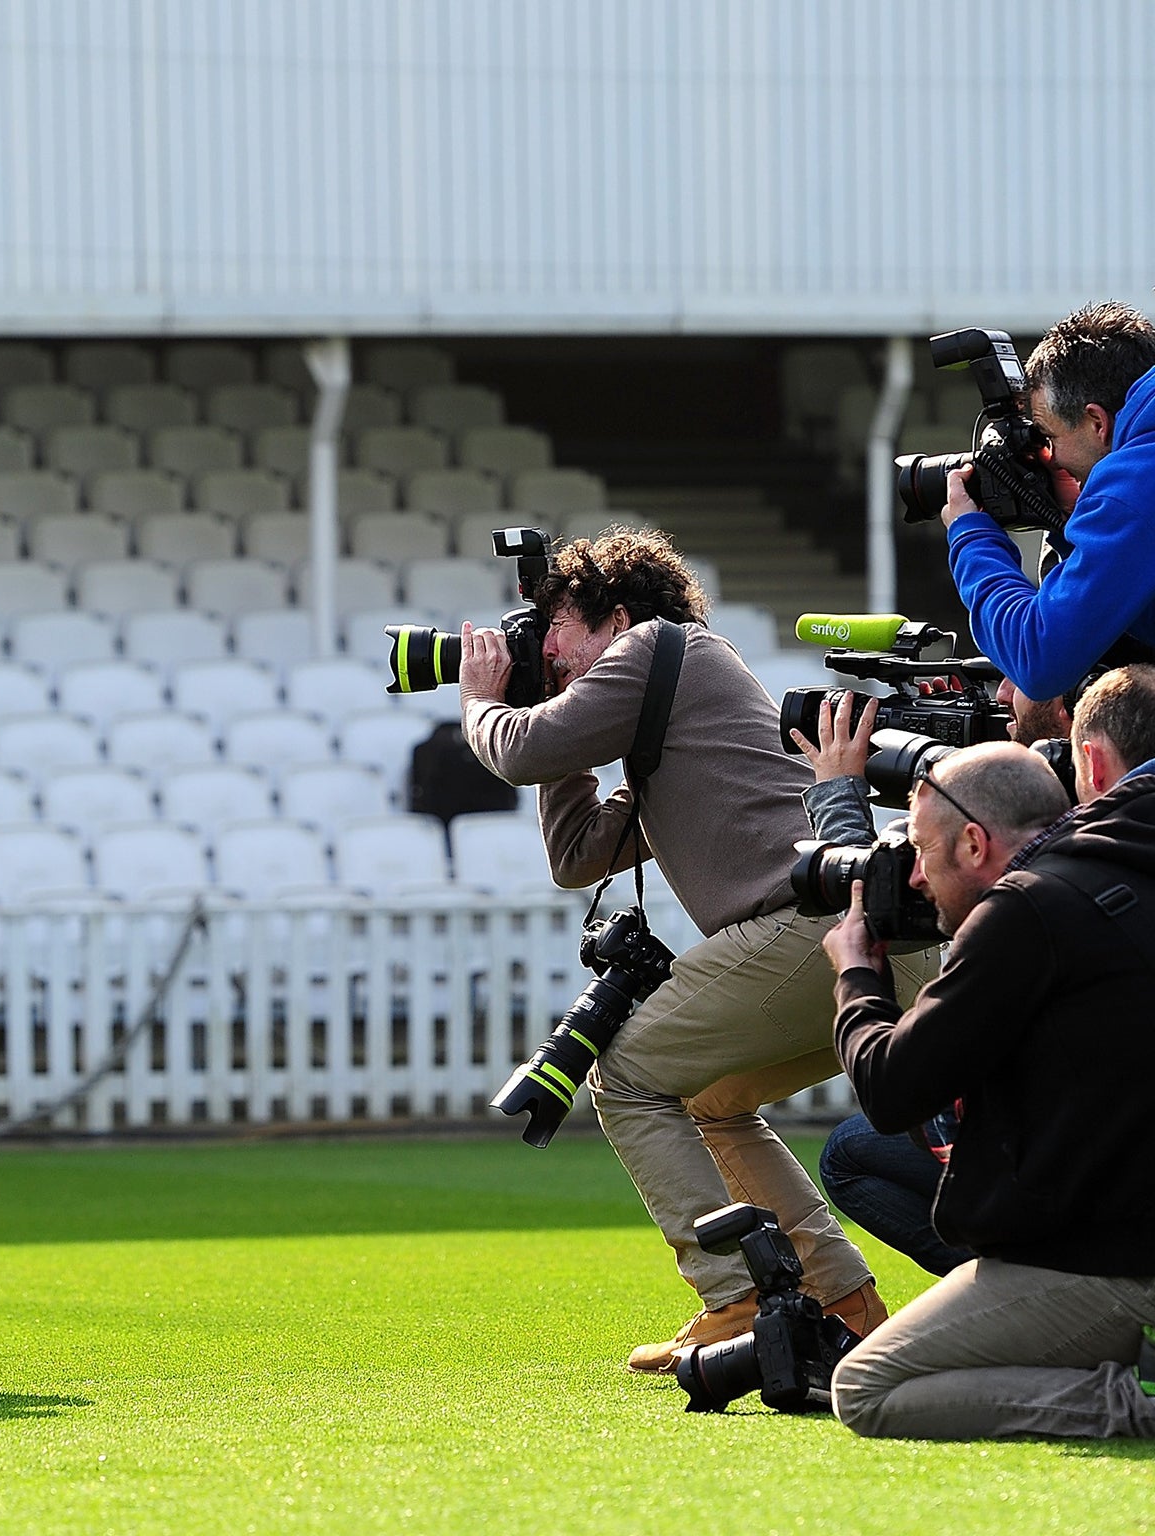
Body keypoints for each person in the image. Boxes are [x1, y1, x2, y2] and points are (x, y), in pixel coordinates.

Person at [456, 527, 933, 1373]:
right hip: (852, 933)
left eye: (555, 625)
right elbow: (578, 858)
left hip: (809, 920)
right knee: (710, 1099)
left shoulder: (655, 648)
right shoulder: (673, 719)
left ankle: (733, 1294)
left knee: (626, 1076)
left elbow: (520, 748)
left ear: (617, 616)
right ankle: (842, 1302)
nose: (546, 645)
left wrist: (482, 701)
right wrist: (543, 704)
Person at [821, 721, 1155, 1439]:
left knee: (867, 1388)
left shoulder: (1028, 909)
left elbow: (891, 1088)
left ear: (974, 845)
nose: (913, 877)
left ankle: (1133, 1408)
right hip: (1117, 1221)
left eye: (918, 851)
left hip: (1112, 1265)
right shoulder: (1120, 866)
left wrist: (857, 976)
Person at [946, 301, 1155, 702]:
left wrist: (971, 536)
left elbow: (1038, 658)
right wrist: (1067, 521)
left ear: (1097, 422)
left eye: (1050, 436)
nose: (1052, 457)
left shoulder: (1137, 482)